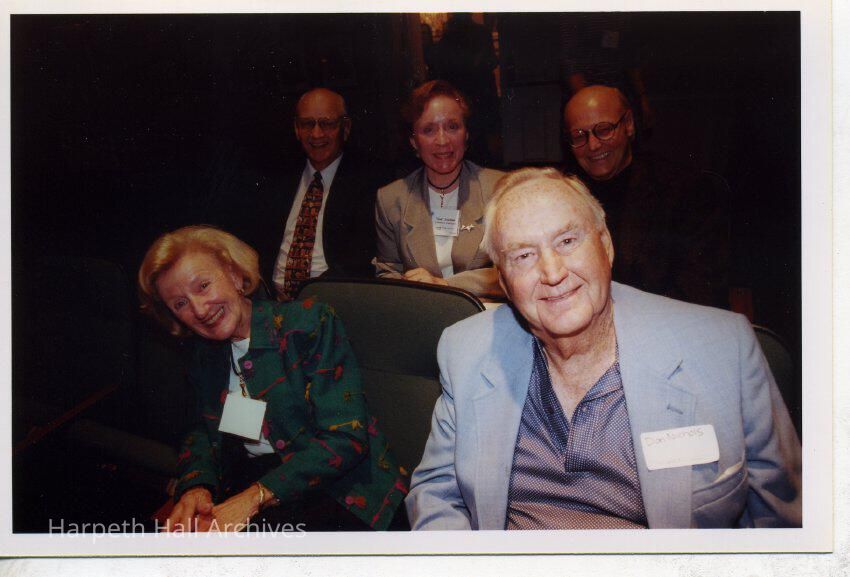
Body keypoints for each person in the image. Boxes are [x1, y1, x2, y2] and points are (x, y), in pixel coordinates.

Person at [406, 168, 801, 530]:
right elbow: (437, 495)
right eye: (523, 256)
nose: (553, 272)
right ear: (505, 284)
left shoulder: (723, 349)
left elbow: (779, 520)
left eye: (567, 241)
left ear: (606, 246)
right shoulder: (466, 350)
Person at [138, 226, 407, 531]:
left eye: (203, 286)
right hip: (260, 481)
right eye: (180, 304)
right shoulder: (203, 353)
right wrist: (196, 486)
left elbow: (346, 439)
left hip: (344, 490)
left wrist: (254, 497)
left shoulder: (308, 323)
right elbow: (200, 430)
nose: (198, 310)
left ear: (235, 275)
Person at [212, 87, 390, 301]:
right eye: (307, 124)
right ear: (296, 129)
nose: (316, 134)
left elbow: (358, 261)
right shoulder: (276, 177)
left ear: (346, 127)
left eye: (327, 124)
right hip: (270, 301)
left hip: (331, 301)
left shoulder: (369, 183)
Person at [562, 85, 730, 308]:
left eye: (604, 130)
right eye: (579, 136)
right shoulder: (563, 196)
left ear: (629, 124)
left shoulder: (686, 191)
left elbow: (700, 291)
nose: (593, 145)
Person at [375, 80, 504, 299]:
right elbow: (387, 273)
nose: (442, 140)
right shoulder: (390, 199)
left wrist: (444, 284)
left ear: (466, 134)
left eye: (452, 127)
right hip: (422, 309)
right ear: (414, 141)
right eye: (428, 130)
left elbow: (514, 269)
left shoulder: (500, 189)